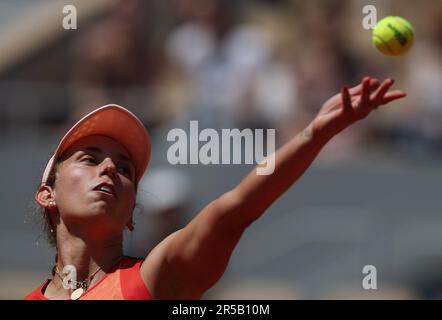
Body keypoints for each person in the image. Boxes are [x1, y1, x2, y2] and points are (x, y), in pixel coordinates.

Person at [24, 76, 406, 300]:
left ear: (131, 216)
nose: (110, 168)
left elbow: (237, 208)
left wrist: (313, 134)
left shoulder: (156, 277)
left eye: (124, 168)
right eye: (90, 158)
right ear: (48, 194)